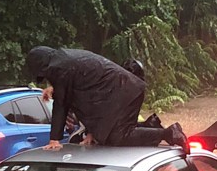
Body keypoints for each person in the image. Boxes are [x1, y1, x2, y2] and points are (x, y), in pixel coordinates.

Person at [26, 46, 189, 152]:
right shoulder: (64, 61)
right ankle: (150, 126)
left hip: (122, 90)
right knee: (110, 136)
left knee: (119, 136)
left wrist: (55, 139)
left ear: (42, 65)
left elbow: (62, 103)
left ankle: (168, 133)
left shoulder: (59, 67)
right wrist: (92, 132)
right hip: (123, 89)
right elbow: (86, 101)